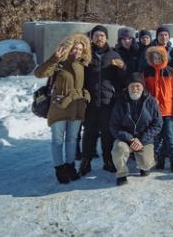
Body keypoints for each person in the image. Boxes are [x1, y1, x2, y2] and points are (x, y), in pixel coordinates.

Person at [34, 34, 92, 184]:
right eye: (75, 48)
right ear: (69, 47)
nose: (77, 52)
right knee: (58, 140)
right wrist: (54, 58)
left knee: (72, 139)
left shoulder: (83, 64)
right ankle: (59, 168)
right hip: (59, 106)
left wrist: (86, 95)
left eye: (80, 49)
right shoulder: (59, 62)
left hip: (77, 107)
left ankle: (70, 166)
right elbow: (39, 73)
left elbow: (86, 85)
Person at [80, 25, 125, 177]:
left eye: (102, 36)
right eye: (96, 35)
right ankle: (86, 161)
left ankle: (108, 160)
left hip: (108, 102)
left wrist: (122, 68)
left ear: (106, 38)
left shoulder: (114, 55)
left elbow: (122, 80)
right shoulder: (86, 55)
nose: (99, 38)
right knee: (89, 133)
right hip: (90, 101)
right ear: (91, 37)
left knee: (107, 133)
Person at [109, 73, 162, 186]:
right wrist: (131, 139)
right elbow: (114, 126)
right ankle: (121, 174)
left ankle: (145, 162)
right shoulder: (120, 102)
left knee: (146, 164)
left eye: (138, 85)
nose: (135, 88)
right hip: (125, 139)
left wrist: (141, 140)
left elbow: (157, 124)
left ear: (143, 87)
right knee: (119, 149)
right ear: (127, 87)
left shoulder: (151, 101)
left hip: (145, 139)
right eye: (132, 86)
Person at [143, 46, 173, 173]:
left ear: (164, 57)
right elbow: (143, 91)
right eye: (154, 57)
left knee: (170, 136)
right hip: (152, 112)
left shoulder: (171, 72)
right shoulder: (146, 72)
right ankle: (158, 159)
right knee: (155, 138)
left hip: (168, 111)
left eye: (159, 57)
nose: (156, 60)